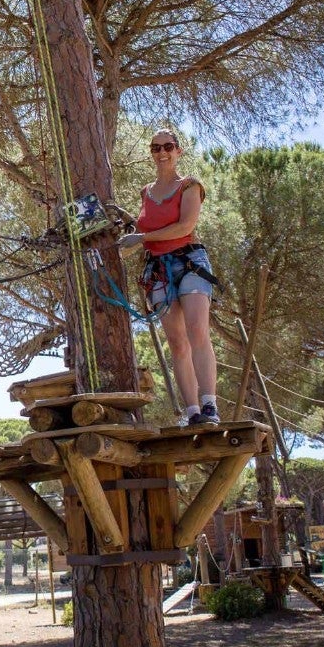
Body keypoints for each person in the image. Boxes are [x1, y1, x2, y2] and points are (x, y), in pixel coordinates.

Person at [117, 129, 220, 425]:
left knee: (198, 330)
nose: (162, 152)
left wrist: (142, 237)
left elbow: (184, 226)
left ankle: (210, 405)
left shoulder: (189, 185)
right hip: (158, 269)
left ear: (178, 151)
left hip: (188, 261)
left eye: (168, 146)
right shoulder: (145, 192)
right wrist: (129, 243)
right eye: (156, 147)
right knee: (176, 342)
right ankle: (192, 411)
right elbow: (143, 235)